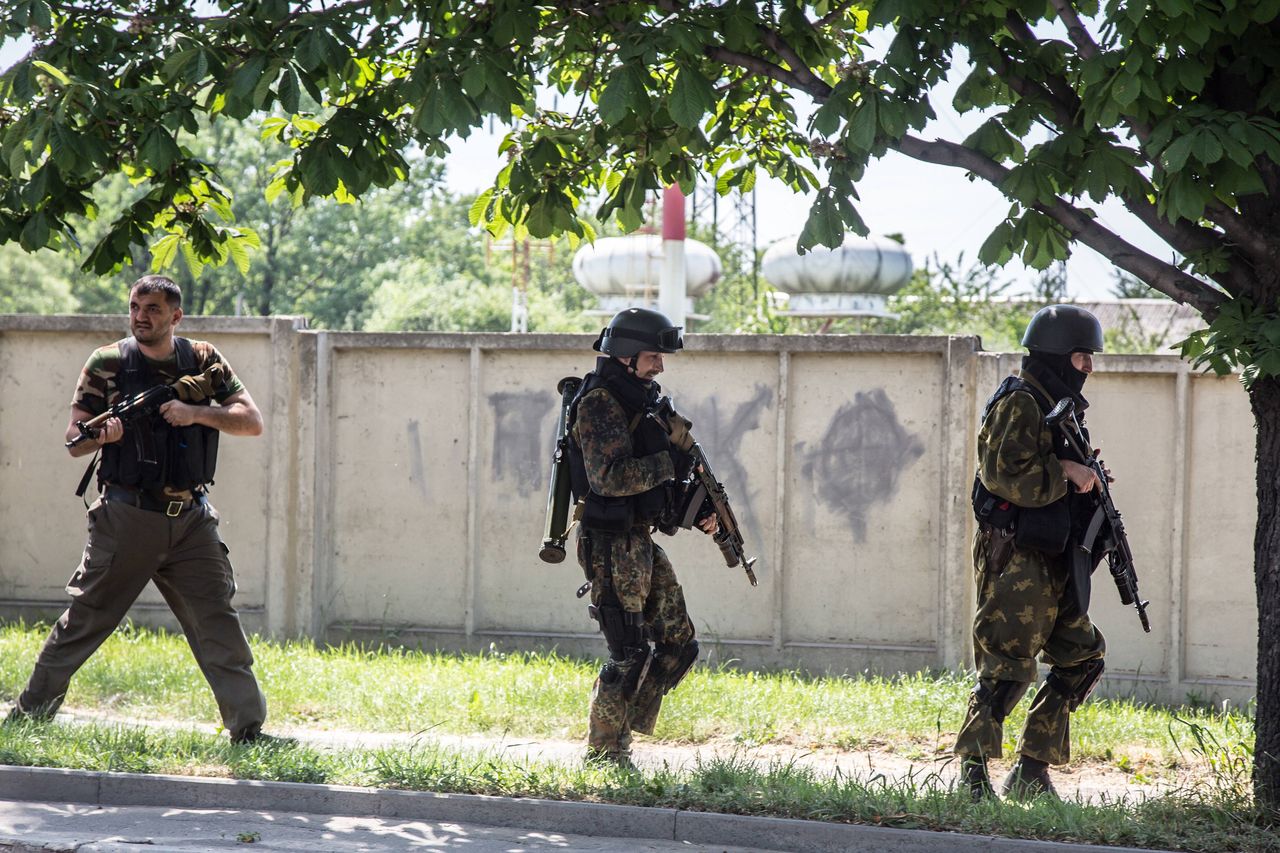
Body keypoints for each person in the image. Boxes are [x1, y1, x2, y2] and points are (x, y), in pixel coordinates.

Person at [5, 275, 276, 745]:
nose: (140, 316)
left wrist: (197, 413)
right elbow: (73, 441)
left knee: (218, 622)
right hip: (127, 518)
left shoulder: (203, 359)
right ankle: (28, 718)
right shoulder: (108, 362)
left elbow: (251, 421)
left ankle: (248, 732)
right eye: (134, 306)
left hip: (192, 519)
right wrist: (101, 433)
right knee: (86, 621)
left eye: (152, 308)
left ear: (176, 316)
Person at [954, 304, 1109, 800]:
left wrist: (1084, 473)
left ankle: (1031, 772)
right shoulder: (1020, 401)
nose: (1088, 368)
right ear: (1060, 352)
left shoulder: (1054, 403)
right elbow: (1004, 475)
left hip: (1054, 556)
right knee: (1007, 665)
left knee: (1081, 657)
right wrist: (1066, 472)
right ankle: (973, 776)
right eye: (1083, 357)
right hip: (1016, 558)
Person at [566, 307, 717, 768]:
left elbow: (656, 480)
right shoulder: (599, 404)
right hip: (610, 544)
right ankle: (605, 753)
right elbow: (609, 478)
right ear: (628, 355)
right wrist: (668, 464)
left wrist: (699, 508)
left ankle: (622, 726)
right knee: (627, 650)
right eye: (654, 356)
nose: (661, 366)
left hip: (638, 540)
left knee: (678, 642)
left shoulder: (642, 401)